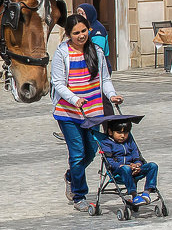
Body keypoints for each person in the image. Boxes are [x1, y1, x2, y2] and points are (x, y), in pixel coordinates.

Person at [52, 14, 121, 212]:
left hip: (93, 111)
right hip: (68, 112)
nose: (81, 36)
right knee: (77, 153)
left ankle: (71, 176)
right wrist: (74, 99)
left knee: (91, 151)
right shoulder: (62, 52)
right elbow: (58, 83)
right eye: (76, 33)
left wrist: (112, 95)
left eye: (84, 31)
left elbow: (105, 79)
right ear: (68, 35)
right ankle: (79, 194)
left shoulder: (96, 51)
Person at [96, 119, 159, 206]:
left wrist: (137, 164)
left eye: (126, 133)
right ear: (110, 132)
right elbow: (109, 162)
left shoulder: (129, 141)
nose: (123, 136)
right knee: (125, 168)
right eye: (119, 133)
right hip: (119, 171)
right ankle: (134, 195)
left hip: (134, 169)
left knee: (153, 166)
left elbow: (137, 156)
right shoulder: (106, 143)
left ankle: (146, 193)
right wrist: (125, 166)